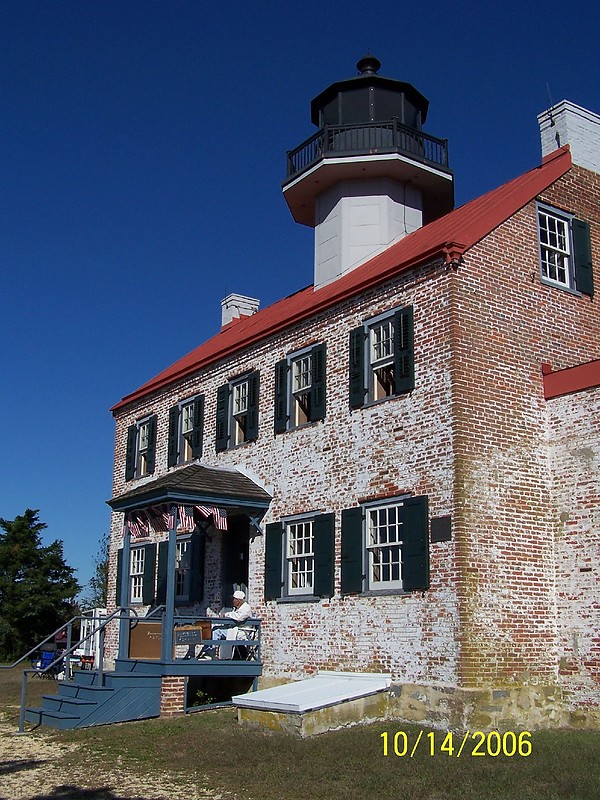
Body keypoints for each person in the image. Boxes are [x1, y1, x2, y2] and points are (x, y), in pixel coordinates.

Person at [199, 590, 251, 659]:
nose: (232, 601)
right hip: (236, 629)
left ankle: (211, 653)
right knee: (216, 628)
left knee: (216, 631)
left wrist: (227, 614)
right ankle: (209, 651)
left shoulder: (246, 608)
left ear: (238, 600)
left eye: (234, 599)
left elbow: (239, 617)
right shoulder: (237, 608)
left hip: (242, 632)